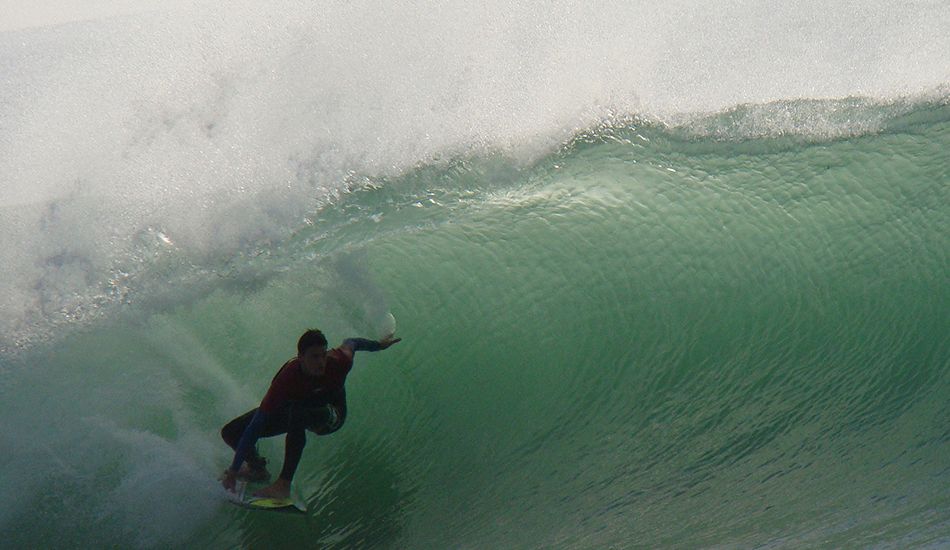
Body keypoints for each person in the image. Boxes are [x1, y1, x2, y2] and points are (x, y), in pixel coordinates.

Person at [220, 328, 401, 499]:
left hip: (332, 414)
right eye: (314, 357)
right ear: (301, 357)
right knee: (231, 431)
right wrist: (234, 470)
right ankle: (256, 470)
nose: (321, 361)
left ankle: (283, 485)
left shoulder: (339, 361)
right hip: (298, 410)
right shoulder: (286, 379)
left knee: (298, 411)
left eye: (323, 355)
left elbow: (353, 342)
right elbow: (256, 425)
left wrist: (380, 345)